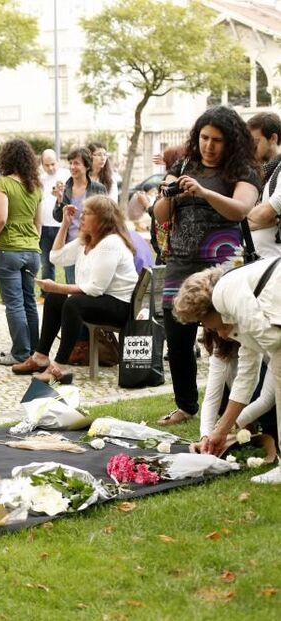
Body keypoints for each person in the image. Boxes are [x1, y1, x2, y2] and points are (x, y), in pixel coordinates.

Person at [153, 106, 260, 426]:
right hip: (181, 260)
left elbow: (240, 209)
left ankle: (231, 408)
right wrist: (168, 194)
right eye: (203, 138)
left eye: (217, 140)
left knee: (225, 337)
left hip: (222, 264)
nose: (208, 146)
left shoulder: (243, 169)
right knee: (177, 334)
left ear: (231, 142)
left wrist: (203, 192)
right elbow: (160, 215)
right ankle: (185, 404)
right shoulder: (184, 164)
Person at [174, 258, 281, 484]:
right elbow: (246, 377)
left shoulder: (226, 292)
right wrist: (219, 431)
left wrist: (232, 331)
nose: (208, 328)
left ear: (206, 309)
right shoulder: (233, 296)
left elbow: (273, 340)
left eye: (202, 321)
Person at [11, 196, 138, 382]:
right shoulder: (86, 240)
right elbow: (55, 257)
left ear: (103, 218)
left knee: (73, 303)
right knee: (55, 297)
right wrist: (65, 224)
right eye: (82, 213)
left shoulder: (111, 243)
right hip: (101, 300)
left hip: (121, 306)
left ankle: (60, 367)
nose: (82, 217)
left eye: (88, 213)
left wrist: (57, 286)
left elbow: (95, 289)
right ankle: (40, 357)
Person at [0, 139, 42, 366]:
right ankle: (35, 352)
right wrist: (32, 241)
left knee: (14, 303)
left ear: (6, 159)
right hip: (32, 251)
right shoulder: (36, 187)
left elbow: (1, 219)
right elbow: (38, 223)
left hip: (8, 250)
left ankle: (20, 353)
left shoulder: (3, 184)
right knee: (29, 301)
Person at [195, 330, 276, 446]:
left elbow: (266, 399)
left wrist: (228, 425)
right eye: (215, 329)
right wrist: (205, 436)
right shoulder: (220, 339)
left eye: (223, 327)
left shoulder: (257, 334)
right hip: (247, 387)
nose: (221, 334)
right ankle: (249, 426)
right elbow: (212, 398)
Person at [51, 147, 109, 283]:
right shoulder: (65, 188)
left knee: (89, 285)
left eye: (76, 163)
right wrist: (59, 200)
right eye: (70, 163)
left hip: (91, 245)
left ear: (87, 166)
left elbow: (106, 218)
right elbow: (58, 217)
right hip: (70, 246)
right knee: (72, 285)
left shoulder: (98, 188)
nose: (72, 167)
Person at [246, 112, 281, 259]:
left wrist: (243, 217)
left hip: (275, 264)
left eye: (255, 143)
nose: (251, 149)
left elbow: (264, 213)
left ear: (273, 138)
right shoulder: (262, 173)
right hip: (260, 265)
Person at [38, 149, 70, 282]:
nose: (50, 168)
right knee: (46, 263)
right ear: (42, 164)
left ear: (58, 161)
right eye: (47, 165)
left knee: (68, 262)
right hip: (45, 225)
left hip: (63, 225)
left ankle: (71, 288)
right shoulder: (40, 179)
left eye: (53, 164)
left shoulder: (68, 175)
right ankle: (47, 292)